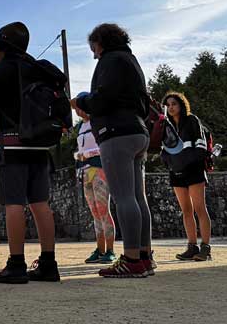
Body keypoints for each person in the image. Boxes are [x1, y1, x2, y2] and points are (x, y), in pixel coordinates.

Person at [0, 22, 60, 284]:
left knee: (14, 203)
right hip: (41, 144)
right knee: (40, 204)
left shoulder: (3, 67)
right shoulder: (37, 67)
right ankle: (48, 263)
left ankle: (16, 263)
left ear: (1, 47)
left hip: (12, 142)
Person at [72, 23, 154, 278]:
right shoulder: (131, 61)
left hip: (116, 134)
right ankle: (144, 257)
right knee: (139, 198)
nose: (94, 54)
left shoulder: (109, 60)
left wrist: (82, 101)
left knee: (123, 198)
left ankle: (130, 259)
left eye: (93, 48)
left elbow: (103, 98)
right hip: (138, 131)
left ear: (100, 43)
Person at [161, 92, 212, 261]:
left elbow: (201, 146)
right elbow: (164, 151)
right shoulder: (166, 126)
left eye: (174, 103)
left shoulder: (192, 120)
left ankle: (205, 248)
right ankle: (192, 247)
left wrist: (188, 162)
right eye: (168, 105)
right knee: (186, 210)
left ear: (181, 105)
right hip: (176, 172)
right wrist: (170, 164)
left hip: (194, 170)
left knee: (200, 208)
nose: (171, 107)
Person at [74, 114, 116, 264]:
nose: (78, 111)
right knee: (95, 212)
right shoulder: (80, 126)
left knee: (103, 209)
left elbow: (105, 146)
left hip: (99, 168)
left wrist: (86, 154)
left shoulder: (98, 121)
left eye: (80, 107)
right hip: (84, 171)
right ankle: (100, 249)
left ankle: (110, 250)